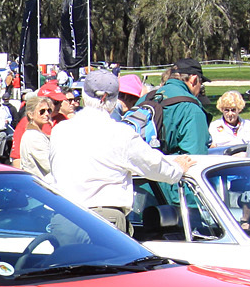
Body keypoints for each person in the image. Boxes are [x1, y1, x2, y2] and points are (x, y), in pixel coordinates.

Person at [49, 74, 192, 232]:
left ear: (84, 96)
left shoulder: (59, 131)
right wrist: (178, 168)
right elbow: (154, 166)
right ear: (107, 98)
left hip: (64, 217)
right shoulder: (121, 134)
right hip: (103, 221)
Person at [151, 62, 212, 155]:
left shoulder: (147, 97)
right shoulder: (191, 109)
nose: (200, 88)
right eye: (201, 83)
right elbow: (196, 157)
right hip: (166, 168)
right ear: (194, 79)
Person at [16, 92, 56, 182]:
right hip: (40, 185)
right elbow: (50, 165)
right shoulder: (34, 137)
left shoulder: (38, 134)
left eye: (48, 111)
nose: (46, 114)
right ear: (31, 115)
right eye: (42, 111)